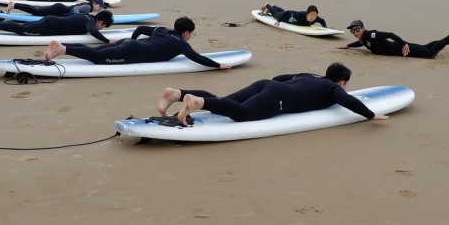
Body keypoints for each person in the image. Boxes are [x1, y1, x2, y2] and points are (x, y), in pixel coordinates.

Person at [156, 62, 390, 126]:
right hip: (279, 98)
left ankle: (177, 93)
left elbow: (280, 79)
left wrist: (271, 88)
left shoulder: (311, 76)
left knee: (225, 101)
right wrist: (370, 115)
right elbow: (347, 101)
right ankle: (198, 101)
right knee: (241, 113)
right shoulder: (333, 89)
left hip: (267, 84)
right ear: (342, 82)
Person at [43, 16, 232, 69]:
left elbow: (141, 29)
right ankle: (63, 49)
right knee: (98, 58)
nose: (190, 37)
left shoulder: (161, 29)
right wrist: (219, 65)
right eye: (190, 34)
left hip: (128, 44)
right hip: (132, 52)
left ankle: (58, 48)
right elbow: (197, 58)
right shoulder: (180, 44)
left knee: (99, 51)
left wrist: (130, 42)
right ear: (186, 33)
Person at [339, 19, 449, 58]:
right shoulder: (363, 38)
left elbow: (390, 34)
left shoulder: (372, 34)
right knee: (426, 47)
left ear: (363, 28)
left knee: (430, 54)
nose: (355, 32)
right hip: (399, 49)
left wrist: (404, 44)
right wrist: (348, 46)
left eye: (357, 29)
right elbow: (361, 43)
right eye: (352, 30)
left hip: (402, 49)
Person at [0, 10, 114, 43]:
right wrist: (107, 41)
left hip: (50, 20)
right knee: (24, 30)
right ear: (100, 22)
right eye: (103, 27)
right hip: (50, 27)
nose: (101, 29)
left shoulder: (86, 15)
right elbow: (91, 30)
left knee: (24, 25)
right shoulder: (90, 21)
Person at [5, 0, 108, 17]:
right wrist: (78, 17)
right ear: (96, 4)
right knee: (36, 12)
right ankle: (14, 4)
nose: (100, 9)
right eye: (100, 7)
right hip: (59, 9)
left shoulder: (89, 7)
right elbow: (75, 10)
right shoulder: (88, 7)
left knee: (37, 11)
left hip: (60, 9)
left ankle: (15, 5)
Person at [260, 3, 328, 28]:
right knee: (275, 14)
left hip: (286, 14)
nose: (313, 17)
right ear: (307, 14)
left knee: (282, 11)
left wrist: (325, 27)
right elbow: (287, 12)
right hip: (285, 17)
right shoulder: (300, 15)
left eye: (315, 15)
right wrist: (278, 21)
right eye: (311, 15)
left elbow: (322, 20)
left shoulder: (315, 18)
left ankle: (273, 5)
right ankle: (267, 5)